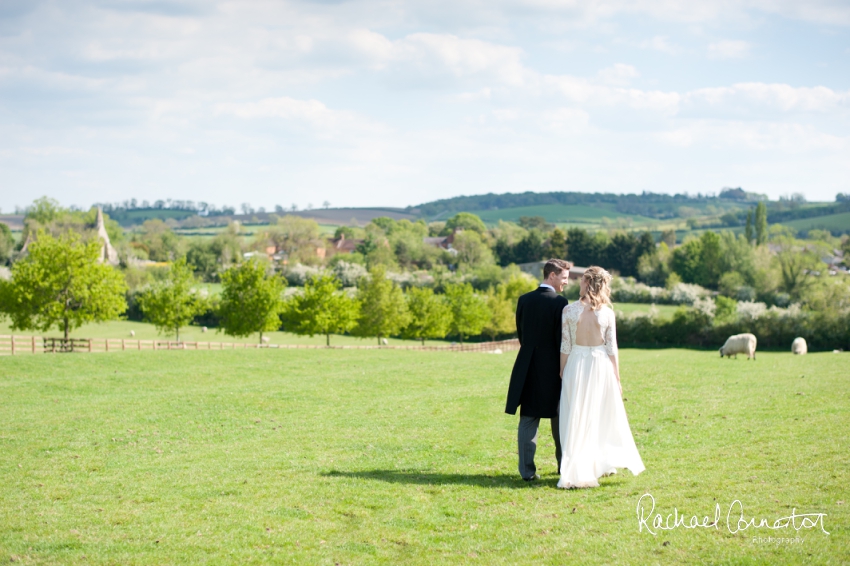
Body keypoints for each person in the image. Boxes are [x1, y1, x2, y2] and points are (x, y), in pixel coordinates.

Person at [557, 266, 645, 489]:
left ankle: (581, 466)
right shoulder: (607, 313)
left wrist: (562, 370)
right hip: (600, 364)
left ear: (588, 283)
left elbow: (565, 345)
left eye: (582, 281)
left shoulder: (568, 311)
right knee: (598, 414)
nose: (579, 284)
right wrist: (617, 377)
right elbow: (611, 348)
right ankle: (596, 464)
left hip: (576, 363)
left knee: (575, 415)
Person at [505, 258, 571, 481]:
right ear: (551, 275)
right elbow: (562, 340)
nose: (566, 283)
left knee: (528, 418)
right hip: (553, 368)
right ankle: (564, 468)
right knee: (559, 419)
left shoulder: (524, 300)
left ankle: (527, 472)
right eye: (564, 278)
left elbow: (521, 335)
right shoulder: (560, 303)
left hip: (528, 366)